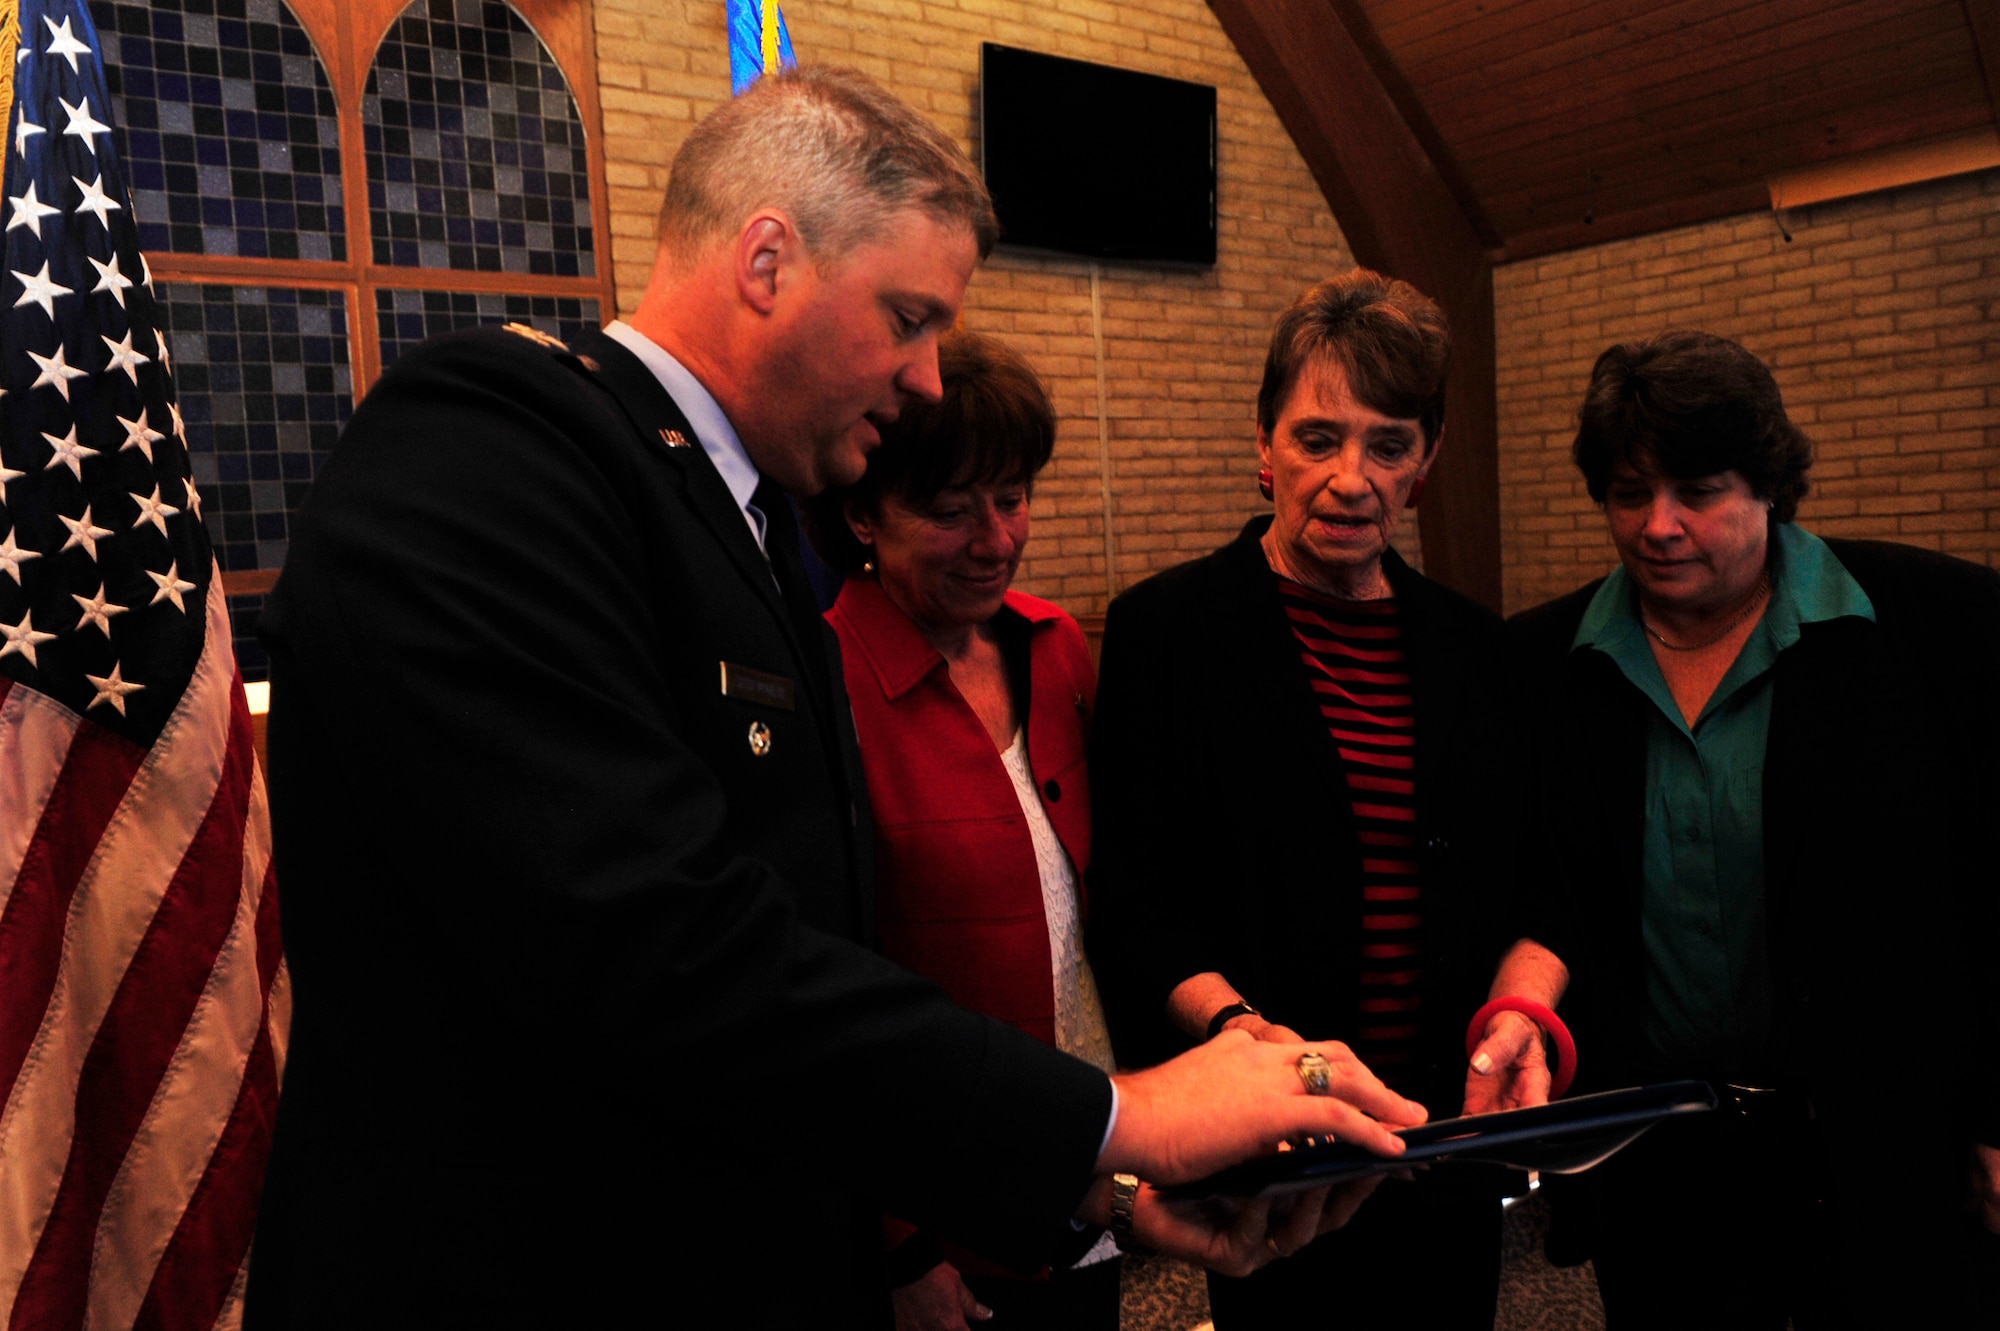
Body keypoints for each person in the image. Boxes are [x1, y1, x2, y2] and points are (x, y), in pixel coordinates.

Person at [245, 67, 1427, 1330]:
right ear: (767, 261)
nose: (927, 379)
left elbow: (809, 977)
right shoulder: (491, 447)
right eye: (908, 317)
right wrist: (1119, 1113)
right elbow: (659, 951)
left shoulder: (736, 526)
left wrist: (1093, 1188)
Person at [1473, 330, 2000, 1327]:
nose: (1658, 525)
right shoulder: (1546, 666)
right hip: (1661, 1161)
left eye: (1698, 490)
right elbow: (1549, 889)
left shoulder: (1940, 626)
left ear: (1766, 483)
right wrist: (1522, 1009)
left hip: (1890, 1147)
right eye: (1628, 494)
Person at [1090, 269, 1518, 1329]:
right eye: (1317, 437)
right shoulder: (1167, 630)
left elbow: (1515, 878)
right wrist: (1251, 1041)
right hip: (1273, 1142)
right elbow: (1137, 903)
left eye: (1387, 443)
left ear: (1426, 459)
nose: (1349, 477)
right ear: (1262, 443)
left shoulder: (1473, 647)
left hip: (1438, 1135)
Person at [807, 329, 1121, 1330]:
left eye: (1012, 497)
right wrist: (897, 1245)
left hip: (1082, 1167)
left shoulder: (1054, 644)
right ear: (861, 511)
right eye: (949, 511)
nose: (995, 539)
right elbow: (815, 991)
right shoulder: (822, 680)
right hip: (942, 1216)